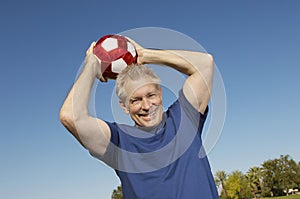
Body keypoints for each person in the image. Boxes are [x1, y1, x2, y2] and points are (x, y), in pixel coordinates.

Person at [59, 36, 219, 199]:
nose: (147, 106)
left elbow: (205, 64)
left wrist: (144, 55)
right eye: (136, 100)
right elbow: (70, 116)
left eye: (151, 95)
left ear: (160, 94)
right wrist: (92, 65)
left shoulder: (185, 118)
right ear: (124, 106)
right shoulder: (119, 142)